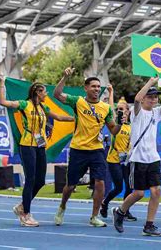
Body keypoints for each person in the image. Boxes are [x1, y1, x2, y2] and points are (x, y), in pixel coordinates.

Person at [0, 75, 73, 227]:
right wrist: (2, 84)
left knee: (41, 181)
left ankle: (22, 206)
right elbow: (3, 102)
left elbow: (58, 117)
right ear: (38, 92)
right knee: (30, 179)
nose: (46, 94)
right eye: (44, 92)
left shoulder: (43, 107)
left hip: (40, 146)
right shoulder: (25, 104)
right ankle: (25, 214)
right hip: (27, 145)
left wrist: (76, 119)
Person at [53, 67, 123, 227]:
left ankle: (94, 216)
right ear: (86, 88)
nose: (97, 89)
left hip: (97, 150)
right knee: (70, 186)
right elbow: (56, 95)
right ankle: (62, 206)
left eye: (99, 87)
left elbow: (113, 130)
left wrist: (120, 123)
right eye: (93, 86)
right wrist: (64, 77)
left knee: (100, 183)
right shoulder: (78, 101)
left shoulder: (105, 108)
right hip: (78, 149)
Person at [113, 77, 161, 237]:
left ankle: (149, 225)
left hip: (153, 158)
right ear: (144, 99)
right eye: (150, 96)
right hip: (138, 158)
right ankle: (120, 212)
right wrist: (150, 81)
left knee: (156, 191)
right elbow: (136, 99)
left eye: (155, 97)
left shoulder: (157, 113)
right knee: (139, 193)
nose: (153, 99)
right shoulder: (137, 112)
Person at [99, 87, 136, 221]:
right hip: (114, 160)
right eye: (119, 110)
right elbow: (110, 107)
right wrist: (111, 93)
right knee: (119, 187)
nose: (122, 113)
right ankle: (105, 202)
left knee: (130, 186)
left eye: (124, 110)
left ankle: (125, 210)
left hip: (127, 160)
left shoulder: (132, 127)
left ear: (128, 112)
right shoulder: (115, 123)